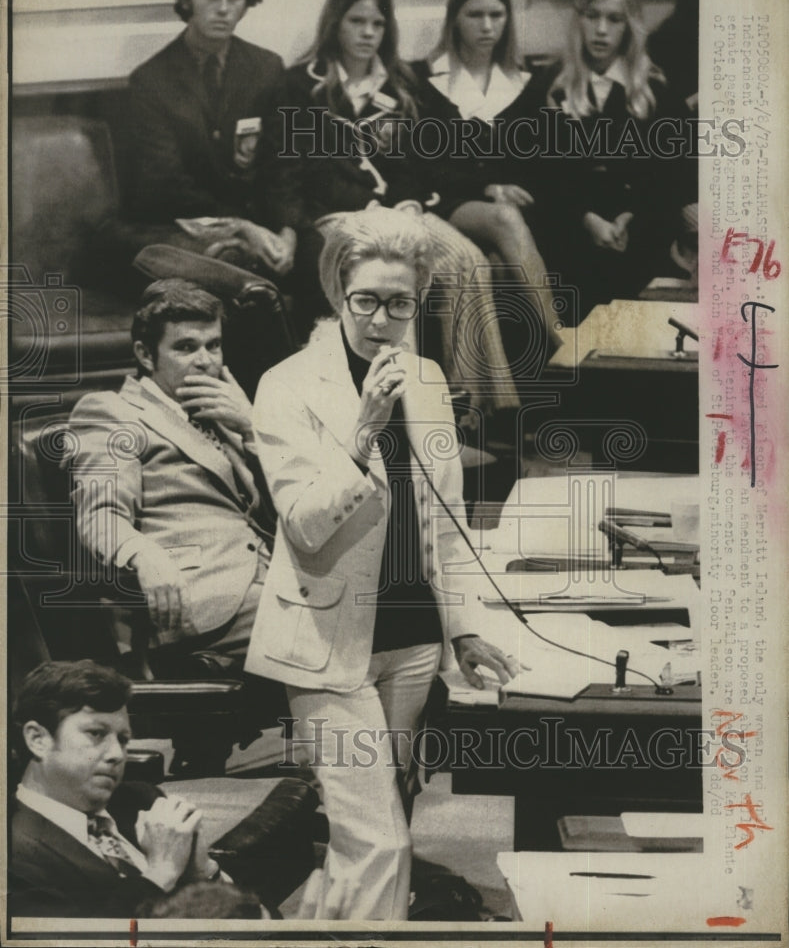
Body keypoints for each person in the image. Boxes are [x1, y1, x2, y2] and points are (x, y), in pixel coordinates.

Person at [244, 208, 520, 919]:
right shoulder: (286, 385)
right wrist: (361, 434)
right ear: (339, 293)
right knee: (379, 844)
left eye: (399, 303)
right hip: (325, 644)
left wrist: (462, 629)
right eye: (365, 300)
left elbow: (446, 522)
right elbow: (304, 525)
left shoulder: (426, 380)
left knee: (364, 827)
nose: (380, 319)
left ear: (417, 303)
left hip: (412, 641)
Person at [270, 0, 520, 409]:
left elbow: (417, 164)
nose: (368, 33)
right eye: (356, 21)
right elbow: (297, 171)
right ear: (335, 23)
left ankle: (480, 405)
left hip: (401, 212)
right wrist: (357, 208)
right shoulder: (301, 86)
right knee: (395, 276)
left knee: (467, 260)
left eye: (377, 24)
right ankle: (408, 408)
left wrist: (406, 203)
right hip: (339, 216)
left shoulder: (402, 85)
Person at [67, 280, 272, 678]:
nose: (205, 361)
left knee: (385, 615)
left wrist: (251, 429)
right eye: (186, 347)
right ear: (146, 354)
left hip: (267, 582)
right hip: (198, 599)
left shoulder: (222, 411)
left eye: (213, 345)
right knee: (346, 625)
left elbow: (277, 506)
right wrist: (143, 555)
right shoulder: (111, 412)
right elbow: (99, 515)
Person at [414, 0, 562, 356]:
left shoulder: (527, 84)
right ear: (455, 19)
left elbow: (537, 163)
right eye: (474, 15)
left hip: (513, 210)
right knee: (504, 218)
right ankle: (562, 337)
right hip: (446, 201)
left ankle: (498, 395)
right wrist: (487, 186)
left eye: (496, 15)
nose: (486, 26)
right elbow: (425, 164)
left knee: (496, 264)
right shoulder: (425, 81)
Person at [536, 0, 695, 319]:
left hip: (640, 229)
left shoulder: (654, 91)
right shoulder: (551, 85)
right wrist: (587, 219)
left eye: (615, 19)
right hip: (571, 228)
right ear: (579, 20)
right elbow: (544, 173)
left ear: (631, 26)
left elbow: (674, 174)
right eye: (592, 17)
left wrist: (630, 216)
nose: (602, 30)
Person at [9, 660, 227, 917]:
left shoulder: (143, 802)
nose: (117, 754)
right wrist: (161, 873)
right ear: (38, 739)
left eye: (123, 740)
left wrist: (205, 873)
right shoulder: (14, 856)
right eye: (96, 734)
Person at [127, 0, 296, 280]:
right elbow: (163, 184)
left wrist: (288, 230)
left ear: (247, 3)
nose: (223, 7)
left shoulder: (267, 68)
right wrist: (240, 226)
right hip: (186, 231)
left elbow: (283, 164)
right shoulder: (150, 80)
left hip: (263, 226)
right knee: (228, 264)